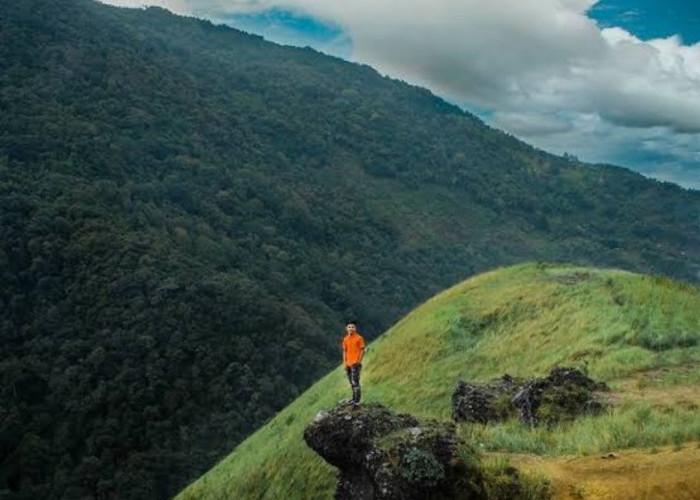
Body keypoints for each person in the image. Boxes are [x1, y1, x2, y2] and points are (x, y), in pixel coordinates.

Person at [342, 320, 365, 405]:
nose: (351, 328)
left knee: (355, 382)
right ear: (346, 329)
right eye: (349, 327)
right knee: (351, 382)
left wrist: (359, 361)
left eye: (352, 327)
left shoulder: (359, 338)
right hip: (348, 363)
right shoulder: (345, 339)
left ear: (355, 328)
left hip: (355, 363)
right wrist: (344, 362)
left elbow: (362, 350)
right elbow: (344, 351)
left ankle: (357, 400)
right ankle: (353, 398)